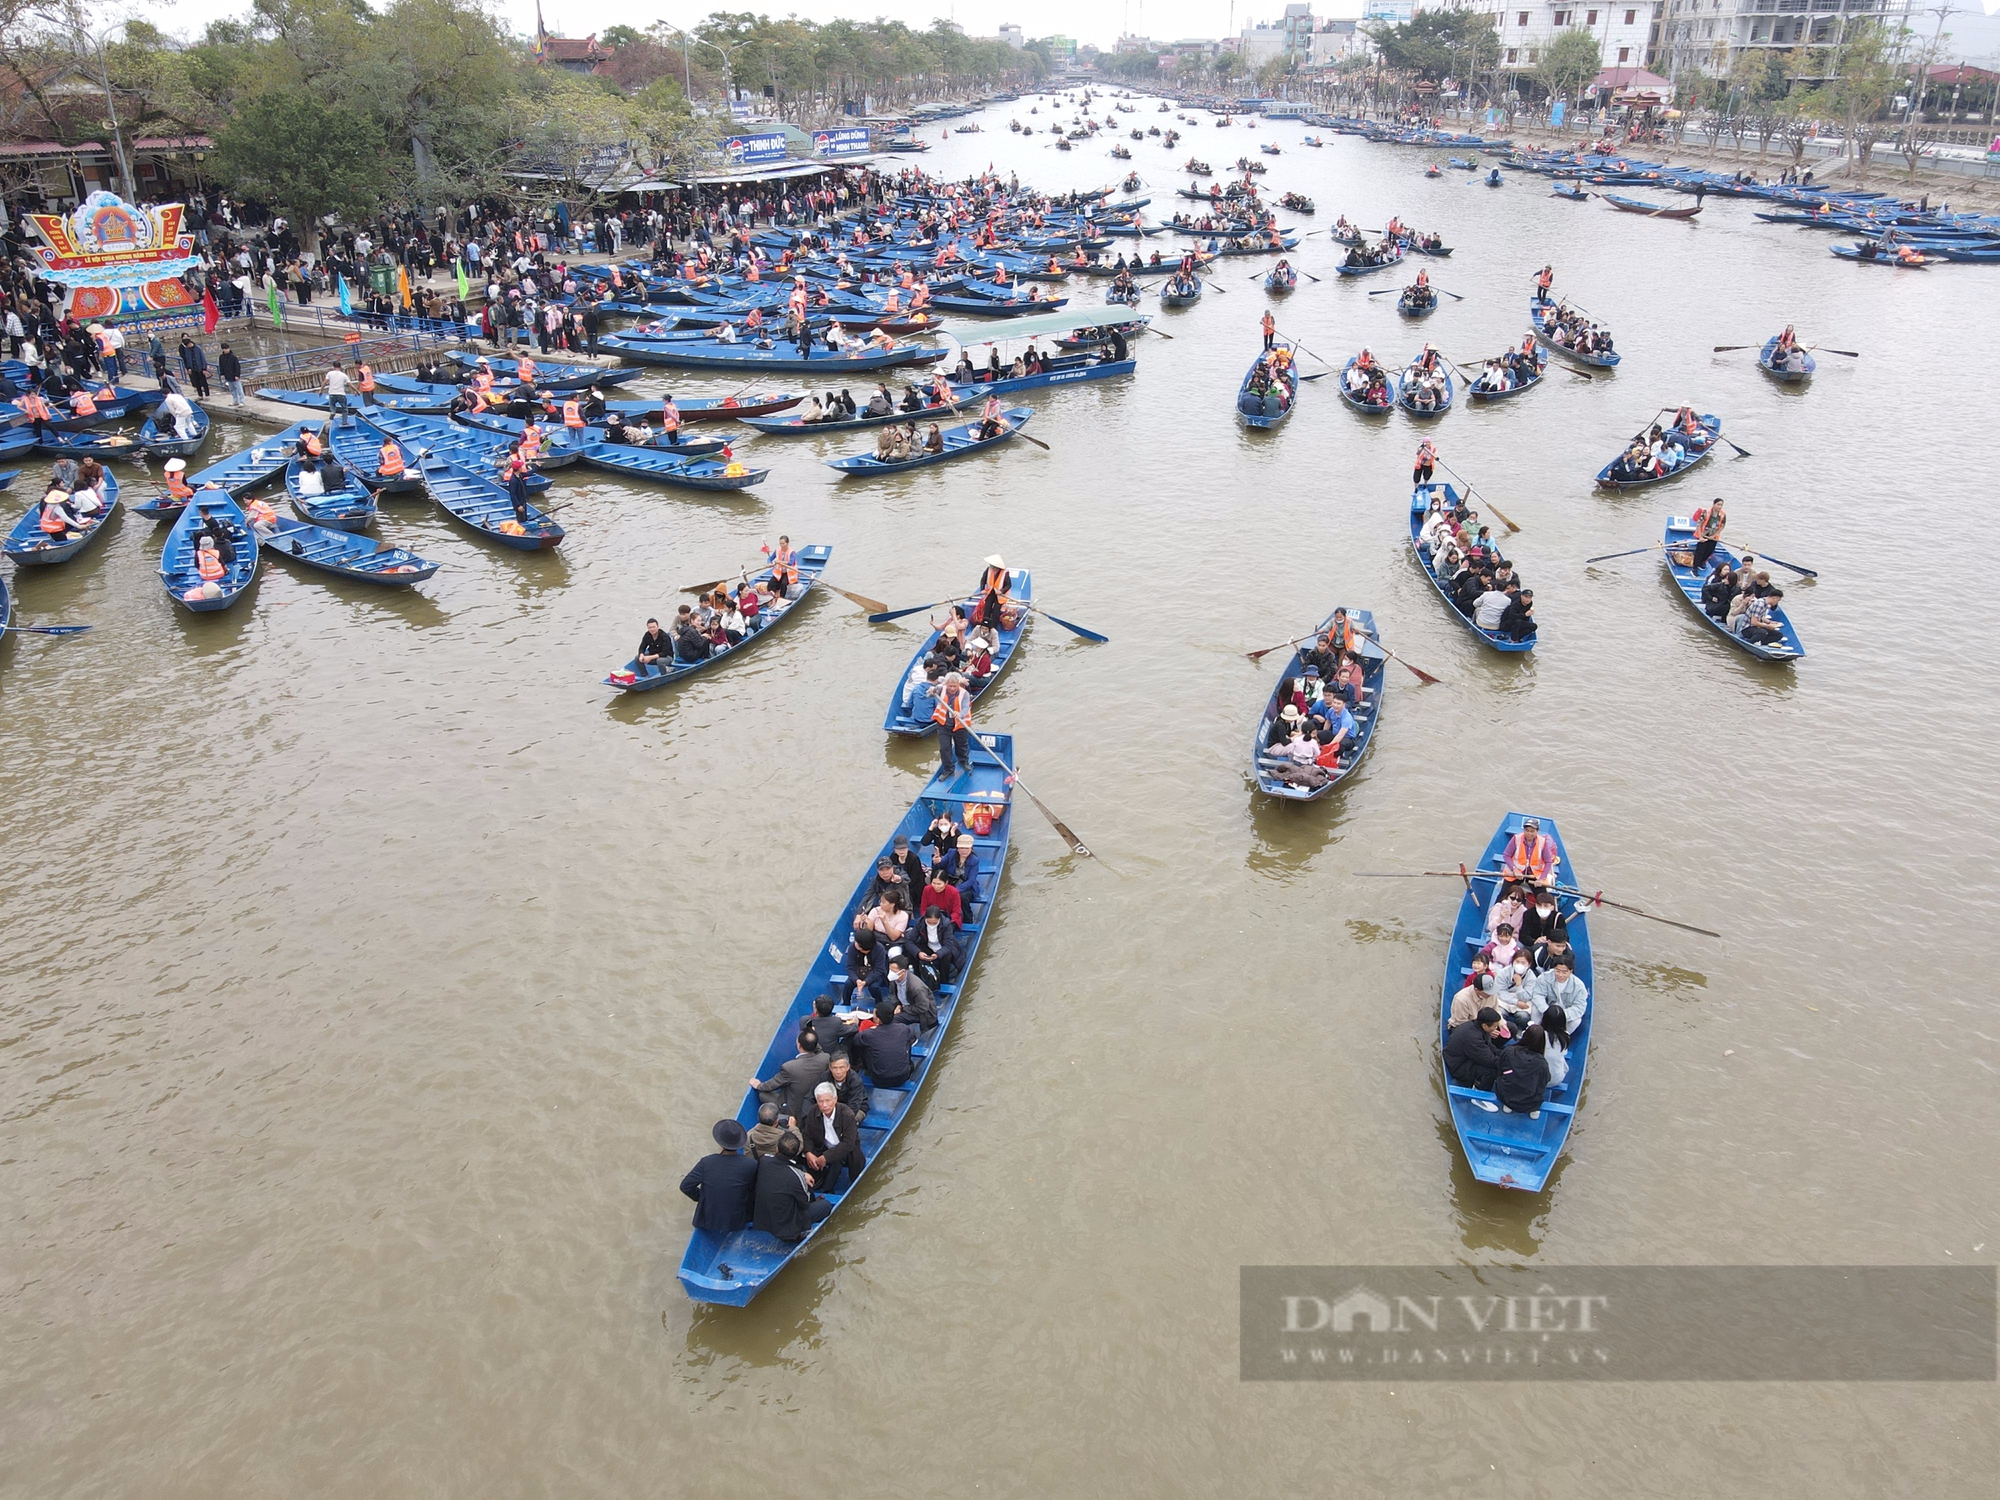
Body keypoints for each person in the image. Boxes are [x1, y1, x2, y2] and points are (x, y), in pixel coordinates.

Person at [679, 1119, 759, 1234]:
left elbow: (685, 1186)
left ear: (720, 1144)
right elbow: (752, 1190)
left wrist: (701, 1197)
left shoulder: (706, 1162)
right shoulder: (751, 1164)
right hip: (736, 1222)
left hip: (707, 1221)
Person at [752, 1134, 830, 1243]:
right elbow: (804, 1203)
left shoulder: (764, 1160)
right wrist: (803, 1175)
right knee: (825, 1205)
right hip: (786, 1226)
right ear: (796, 1154)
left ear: (777, 1148)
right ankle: (796, 1234)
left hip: (763, 1217)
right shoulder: (797, 1177)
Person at [799, 1082, 865, 1194]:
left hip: (846, 1152)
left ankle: (828, 1189)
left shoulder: (847, 1114)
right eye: (820, 1101)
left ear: (835, 1099)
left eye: (828, 1100)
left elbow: (848, 1144)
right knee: (800, 1154)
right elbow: (807, 1135)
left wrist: (826, 1157)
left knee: (838, 1159)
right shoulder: (812, 1111)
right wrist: (809, 1152)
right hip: (823, 1147)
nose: (824, 1105)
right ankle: (817, 1178)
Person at [752, 1033, 831, 1122]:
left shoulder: (789, 1067)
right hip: (813, 1101)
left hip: (794, 1109)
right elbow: (820, 1052)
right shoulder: (825, 1059)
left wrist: (759, 1085)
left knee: (763, 1094)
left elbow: (771, 1085)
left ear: (799, 1045)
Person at [1444, 1008, 1506, 1104]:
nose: (1496, 1028)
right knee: (1491, 1071)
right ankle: (1479, 1097)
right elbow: (1489, 1060)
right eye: (1494, 1026)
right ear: (1485, 1025)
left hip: (1466, 1056)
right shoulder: (1473, 1039)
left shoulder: (1477, 1026)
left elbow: (1490, 1047)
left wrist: (1505, 1055)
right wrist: (1508, 1063)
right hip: (1458, 1065)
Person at [851, 999, 918, 1088]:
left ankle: (864, 1067)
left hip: (879, 1080)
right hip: (904, 1076)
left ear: (878, 1019)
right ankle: (908, 1063)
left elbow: (856, 1040)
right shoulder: (903, 1028)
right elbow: (912, 1033)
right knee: (906, 1040)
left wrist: (855, 1025)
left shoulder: (869, 1034)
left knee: (864, 1046)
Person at [1494, 1026, 1551, 1117]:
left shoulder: (1509, 1050)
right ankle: (1533, 1110)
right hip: (1530, 1101)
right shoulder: (1541, 1063)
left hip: (1505, 1094)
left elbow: (1500, 1068)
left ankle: (1508, 1104)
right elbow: (1544, 1081)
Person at [933, 670, 973, 779]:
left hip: (960, 725)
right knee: (944, 748)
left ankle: (963, 761)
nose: (952, 688)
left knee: (961, 746)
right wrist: (932, 690)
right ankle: (948, 769)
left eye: (954, 686)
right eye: (950, 686)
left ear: (959, 685)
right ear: (946, 684)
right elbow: (932, 691)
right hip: (944, 724)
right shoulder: (941, 689)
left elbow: (965, 707)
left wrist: (960, 714)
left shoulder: (965, 694)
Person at [1502, 817, 1558, 888]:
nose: (1529, 833)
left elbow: (1548, 862)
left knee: (1542, 896)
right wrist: (1514, 870)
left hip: (1534, 875)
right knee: (1503, 894)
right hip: (1517, 874)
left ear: (1537, 831)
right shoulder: (1516, 838)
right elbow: (1506, 855)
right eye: (1527, 830)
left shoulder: (1542, 842)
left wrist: (1541, 878)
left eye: (1532, 831)